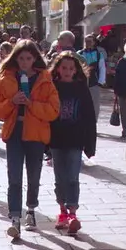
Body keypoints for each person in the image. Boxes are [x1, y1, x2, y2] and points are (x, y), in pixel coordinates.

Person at [0, 40, 59, 240]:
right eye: (21, 58)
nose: (25, 62)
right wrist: (12, 102)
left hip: (36, 132)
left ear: (35, 58)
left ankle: (30, 209)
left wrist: (31, 104)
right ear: (15, 58)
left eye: (28, 58)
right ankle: (14, 217)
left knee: (34, 174)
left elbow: (53, 110)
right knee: (14, 176)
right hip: (14, 131)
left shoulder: (45, 79)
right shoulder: (6, 78)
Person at [48, 51, 95, 234]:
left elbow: (89, 116)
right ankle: (62, 212)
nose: (67, 71)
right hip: (57, 139)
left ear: (76, 70)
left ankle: (73, 212)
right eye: (64, 68)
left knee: (73, 177)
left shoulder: (81, 88)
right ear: (58, 69)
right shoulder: (52, 87)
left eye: (71, 68)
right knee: (60, 178)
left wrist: (90, 143)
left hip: (75, 139)